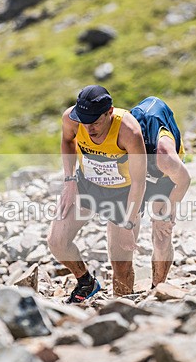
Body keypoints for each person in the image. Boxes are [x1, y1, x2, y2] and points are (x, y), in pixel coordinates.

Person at [48, 85, 147, 302]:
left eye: (94, 122)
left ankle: (121, 309)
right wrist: (69, 180)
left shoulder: (129, 130)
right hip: (87, 185)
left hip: (122, 193)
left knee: (121, 265)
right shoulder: (71, 119)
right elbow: (67, 141)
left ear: (109, 112)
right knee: (57, 241)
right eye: (84, 121)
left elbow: (140, 182)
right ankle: (86, 282)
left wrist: (129, 223)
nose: (89, 128)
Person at [129, 96, 191, 288]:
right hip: (134, 174)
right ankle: (124, 287)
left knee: (162, 236)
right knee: (126, 230)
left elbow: (184, 181)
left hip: (164, 178)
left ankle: (158, 288)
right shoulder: (121, 141)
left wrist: (167, 212)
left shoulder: (164, 156)